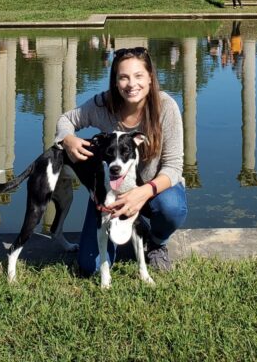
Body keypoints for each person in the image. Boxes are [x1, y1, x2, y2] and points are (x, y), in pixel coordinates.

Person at [56, 47, 187, 275]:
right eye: (123, 77)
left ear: (150, 78)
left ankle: (155, 242)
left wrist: (144, 192)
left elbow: (174, 167)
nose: (131, 84)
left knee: (172, 208)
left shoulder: (166, 107)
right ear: (115, 81)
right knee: (91, 267)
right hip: (110, 191)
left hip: (153, 189)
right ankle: (122, 228)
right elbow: (67, 119)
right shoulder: (103, 105)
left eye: (138, 76)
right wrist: (68, 139)